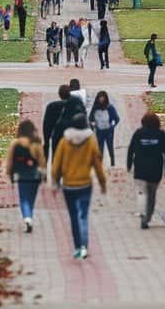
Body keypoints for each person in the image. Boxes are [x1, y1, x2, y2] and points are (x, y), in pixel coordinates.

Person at [52, 111, 106, 259]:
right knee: (83, 216)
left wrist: (55, 180)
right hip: (84, 184)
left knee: (74, 216)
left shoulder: (64, 141)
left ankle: (77, 246)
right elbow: (97, 162)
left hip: (69, 185)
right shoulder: (91, 141)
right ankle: (84, 246)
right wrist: (102, 181)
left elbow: (56, 163)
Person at [127, 111, 165, 228]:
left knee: (141, 194)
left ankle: (143, 215)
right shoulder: (162, 135)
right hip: (155, 170)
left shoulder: (138, 133)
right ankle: (147, 218)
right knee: (151, 195)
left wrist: (129, 164)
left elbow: (131, 149)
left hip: (140, 169)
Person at [5, 119, 46, 233]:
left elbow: (10, 161)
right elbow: (42, 162)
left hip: (22, 175)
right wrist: (44, 175)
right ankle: (29, 217)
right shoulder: (36, 144)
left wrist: (8, 173)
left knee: (24, 199)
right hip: (35, 176)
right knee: (31, 199)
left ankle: (27, 218)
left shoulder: (16, 143)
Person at [42, 83, 72, 165]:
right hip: (71, 137)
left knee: (56, 160)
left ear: (59, 94)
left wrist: (46, 141)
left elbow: (46, 125)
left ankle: (56, 175)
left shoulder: (51, 106)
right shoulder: (75, 105)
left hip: (56, 136)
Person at [89, 90, 120, 166]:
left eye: (103, 99)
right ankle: (100, 165)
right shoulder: (95, 108)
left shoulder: (110, 107)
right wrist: (93, 126)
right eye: (100, 99)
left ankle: (113, 164)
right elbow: (90, 118)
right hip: (99, 131)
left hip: (108, 131)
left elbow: (117, 119)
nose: (101, 100)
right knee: (100, 150)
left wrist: (112, 127)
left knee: (110, 148)